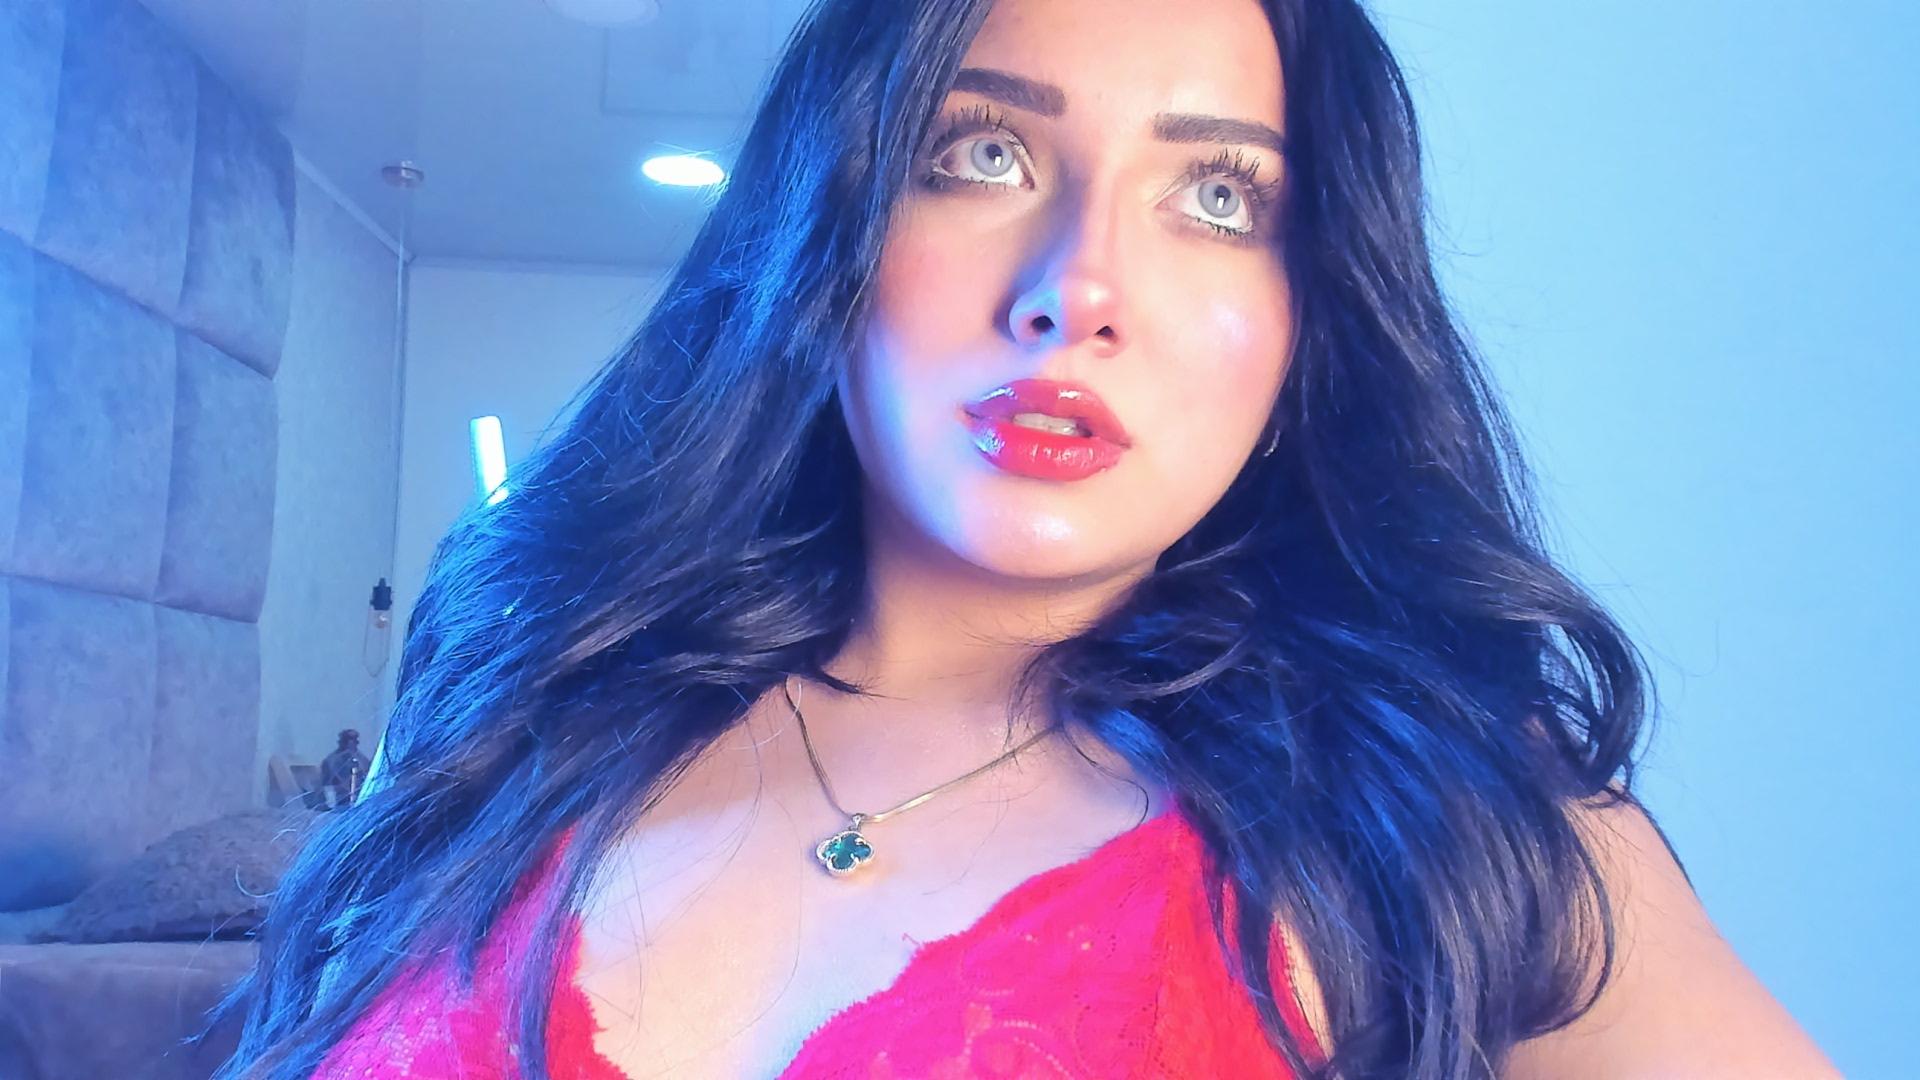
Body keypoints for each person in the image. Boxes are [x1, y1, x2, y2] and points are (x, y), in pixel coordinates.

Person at [219, 0, 1840, 1076]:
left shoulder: (1451, 819)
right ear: (835, 238)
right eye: (984, 155)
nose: (1079, 287)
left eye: (1220, 197)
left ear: (1310, 325)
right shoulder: (546, 709)